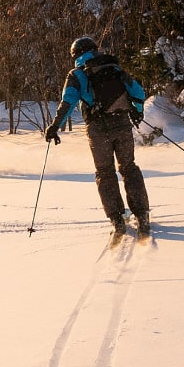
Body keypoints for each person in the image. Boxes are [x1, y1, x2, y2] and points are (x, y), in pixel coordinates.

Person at [46, 37, 151, 236]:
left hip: (97, 128)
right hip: (121, 123)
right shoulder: (114, 67)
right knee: (129, 167)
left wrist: (54, 127)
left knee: (104, 172)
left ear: (75, 55)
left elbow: (67, 102)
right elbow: (137, 91)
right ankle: (142, 214)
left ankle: (117, 219)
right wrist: (137, 111)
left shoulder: (77, 74)